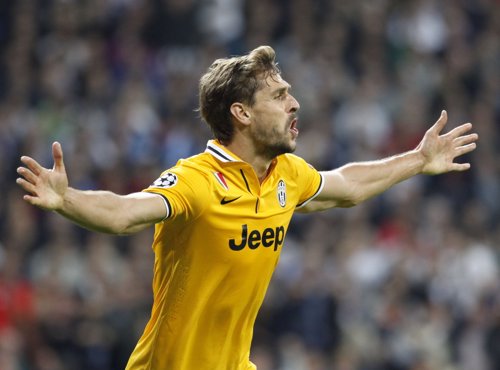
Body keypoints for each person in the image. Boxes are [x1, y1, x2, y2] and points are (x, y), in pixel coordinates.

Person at [16, 45, 478, 370]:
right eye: (279, 96)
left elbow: (346, 186)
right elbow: (124, 213)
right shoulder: (196, 179)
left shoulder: (287, 173)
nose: (295, 103)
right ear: (242, 113)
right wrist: (66, 200)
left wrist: (418, 159)